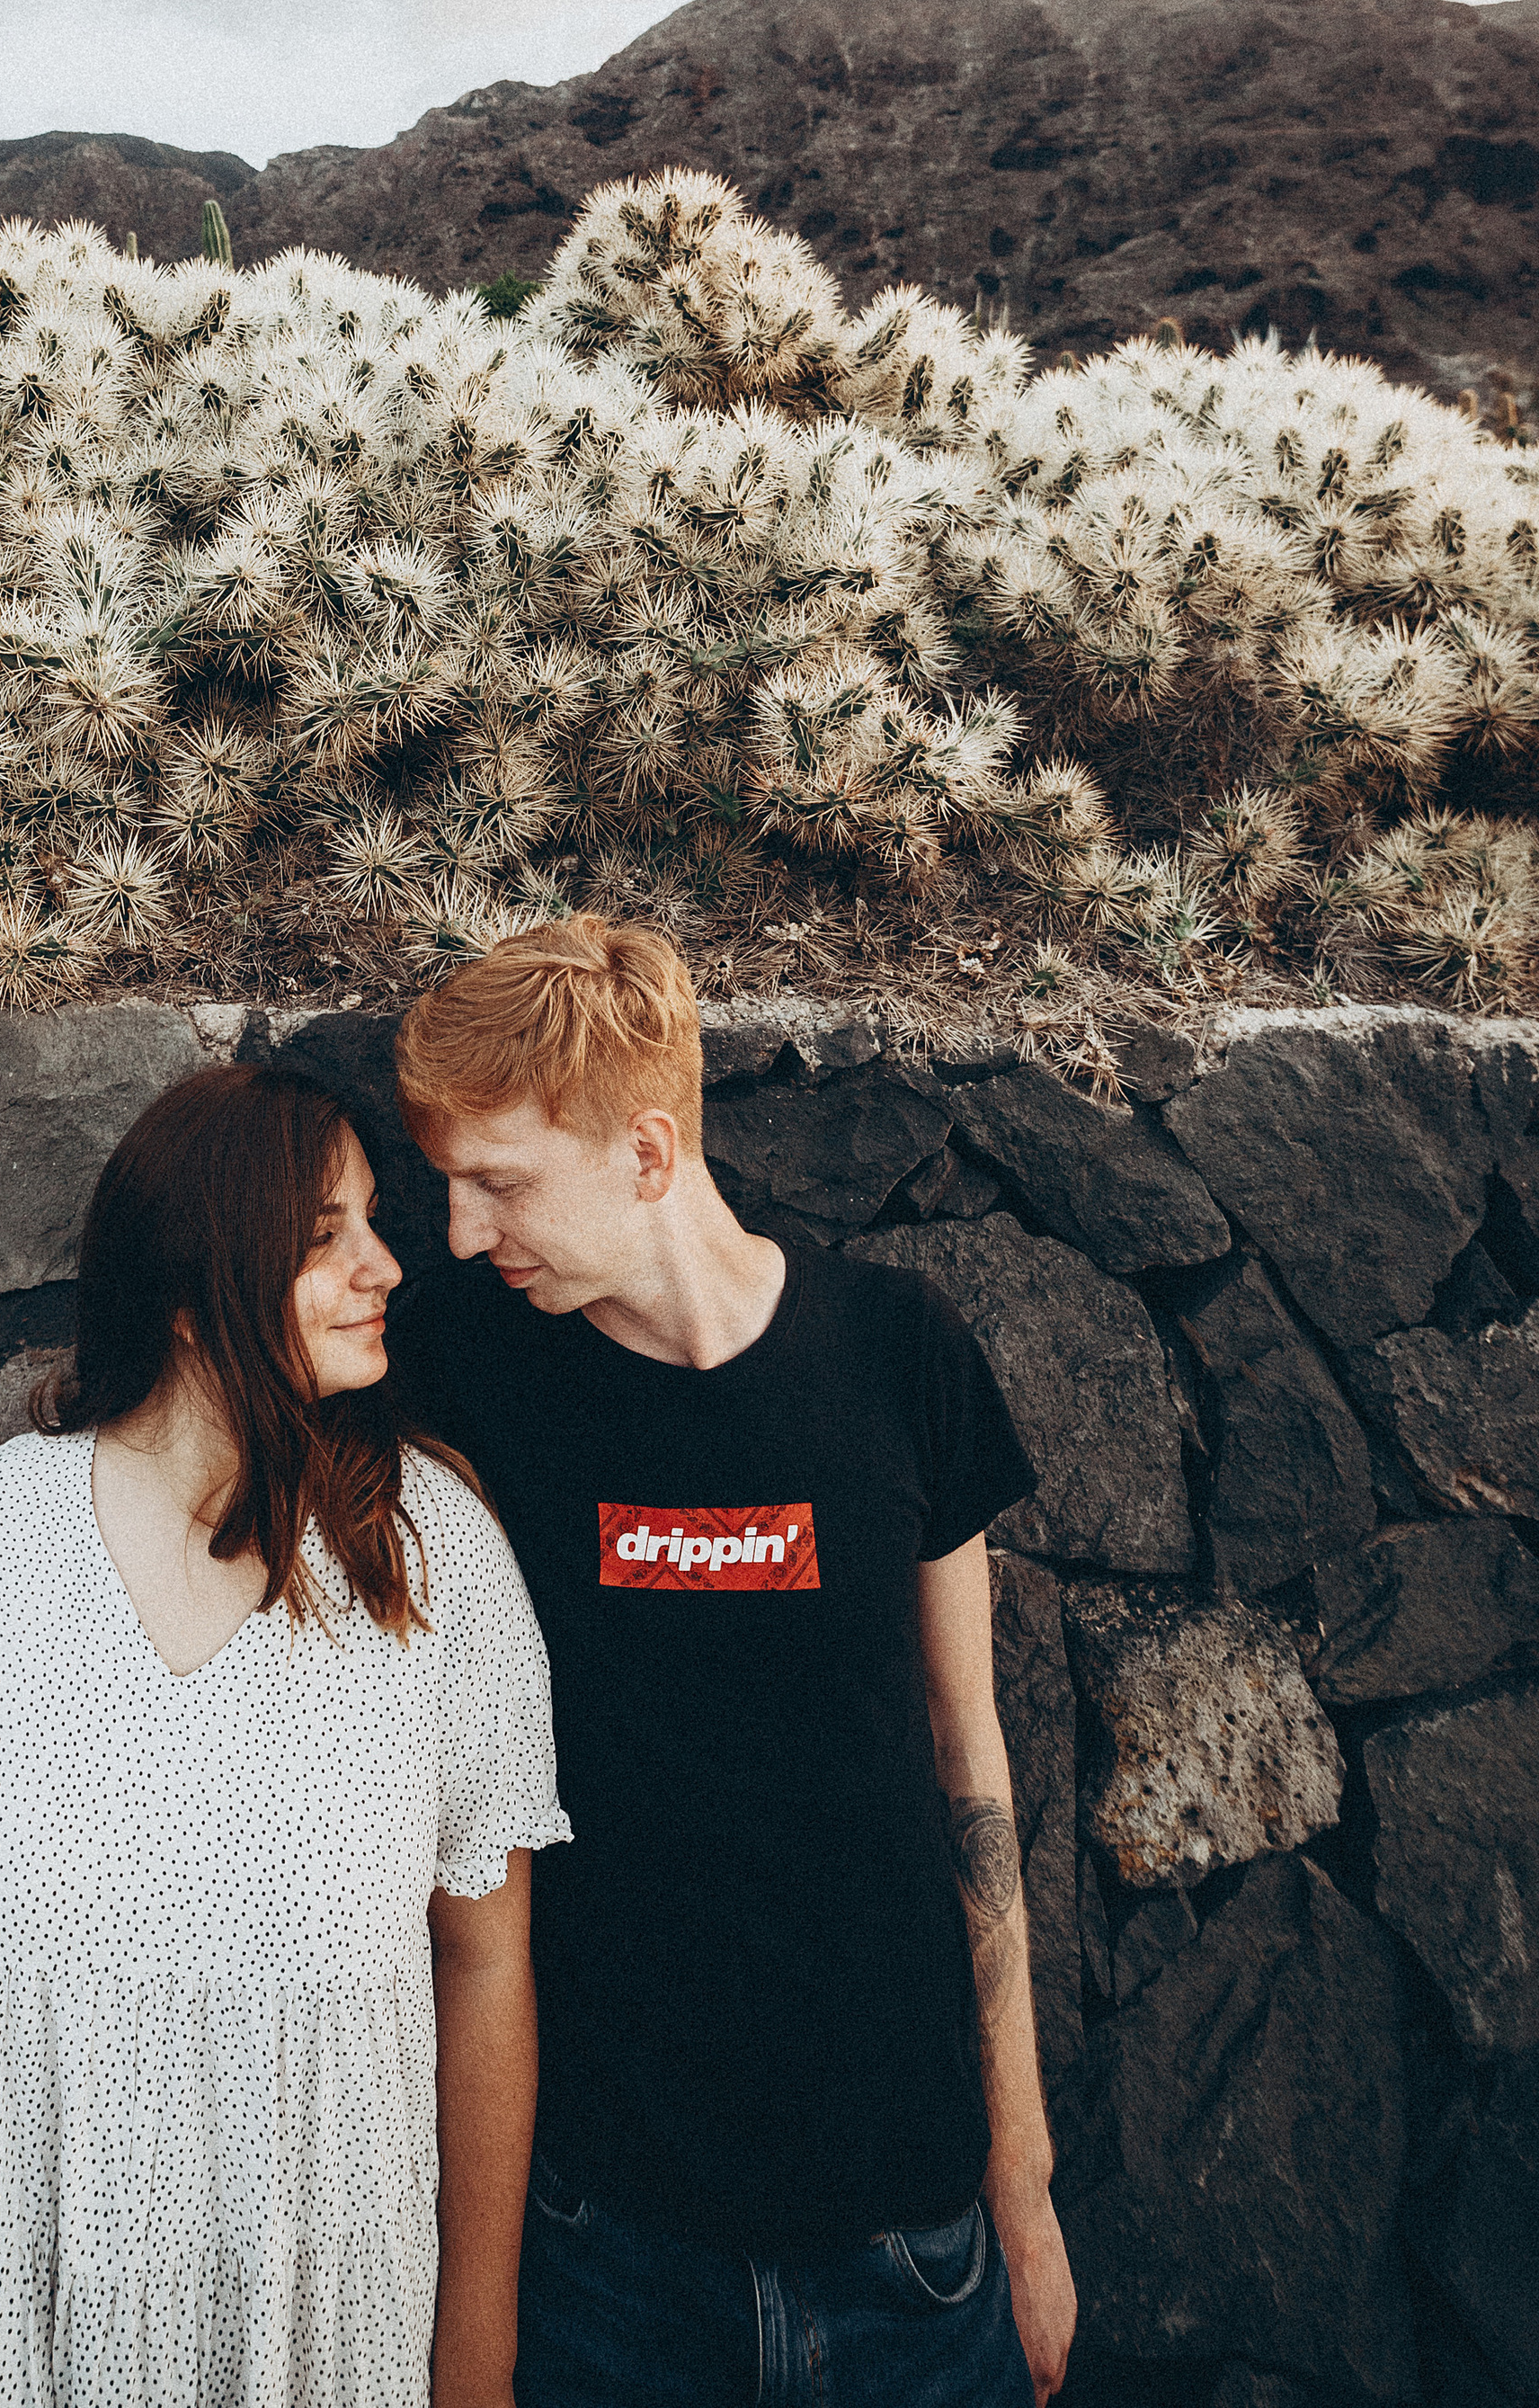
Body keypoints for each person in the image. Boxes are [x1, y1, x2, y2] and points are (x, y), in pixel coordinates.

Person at [0, 1061, 570, 2408]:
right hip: (1, 2255)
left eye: (372, 1222)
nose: (386, 1266)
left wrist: (477, 2334)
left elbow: (487, 1956)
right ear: (195, 1289)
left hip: (315, 2290)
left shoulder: (430, 1553)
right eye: (325, 1236)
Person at [389, 917, 1080, 2408]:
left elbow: (970, 1759)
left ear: (648, 1152)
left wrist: (1021, 2184)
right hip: (610, 2258)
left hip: (912, 2251)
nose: (459, 1232)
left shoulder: (899, 1352)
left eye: (500, 1183)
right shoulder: (468, 1360)